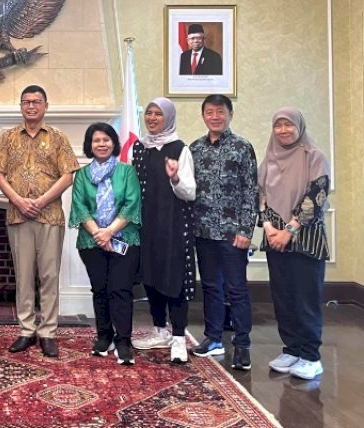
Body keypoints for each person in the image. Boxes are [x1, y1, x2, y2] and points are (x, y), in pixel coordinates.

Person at [0, 85, 79, 358]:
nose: (31, 106)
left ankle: (48, 332)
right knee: (23, 275)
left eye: (36, 101)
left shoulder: (58, 137)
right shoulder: (8, 137)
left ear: (45, 106)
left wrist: (40, 201)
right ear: (21, 106)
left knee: (49, 276)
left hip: (49, 216)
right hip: (18, 215)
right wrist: (18, 200)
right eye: (26, 102)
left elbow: (68, 175)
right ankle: (26, 329)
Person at [259, 108, 330, 381]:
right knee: (283, 296)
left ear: (299, 127)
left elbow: (316, 196)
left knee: (305, 297)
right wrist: (269, 228)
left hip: (305, 237)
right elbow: (260, 196)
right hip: (274, 237)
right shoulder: (269, 158)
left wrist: (289, 230)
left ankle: (311, 356)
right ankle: (291, 349)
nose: (283, 130)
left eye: (288, 125)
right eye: (278, 125)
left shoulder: (314, 156)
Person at [189, 95, 257, 370]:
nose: (215, 116)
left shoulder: (242, 147)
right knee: (210, 287)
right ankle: (213, 338)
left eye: (220, 111)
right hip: (203, 231)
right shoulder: (194, 148)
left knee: (236, 290)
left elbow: (251, 191)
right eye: (209, 112)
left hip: (232, 233)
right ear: (203, 116)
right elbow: (187, 189)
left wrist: (246, 230)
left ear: (230, 114)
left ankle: (242, 345)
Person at [130, 97, 196, 364]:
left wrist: (175, 177)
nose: (152, 118)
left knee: (173, 278)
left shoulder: (180, 149)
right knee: (151, 275)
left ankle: (179, 337)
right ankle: (160, 330)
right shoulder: (139, 147)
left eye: (158, 114)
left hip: (172, 224)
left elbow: (190, 193)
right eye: (149, 113)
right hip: (145, 223)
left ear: (168, 118)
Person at [69, 123, 141, 365]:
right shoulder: (82, 175)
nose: (102, 144)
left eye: (106, 139)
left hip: (124, 238)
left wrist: (109, 232)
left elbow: (131, 204)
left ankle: (123, 340)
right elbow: (80, 207)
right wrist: (99, 234)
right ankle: (104, 336)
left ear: (114, 143)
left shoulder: (127, 172)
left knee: (120, 289)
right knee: (99, 289)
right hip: (92, 242)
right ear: (90, 145)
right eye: (96, 140)